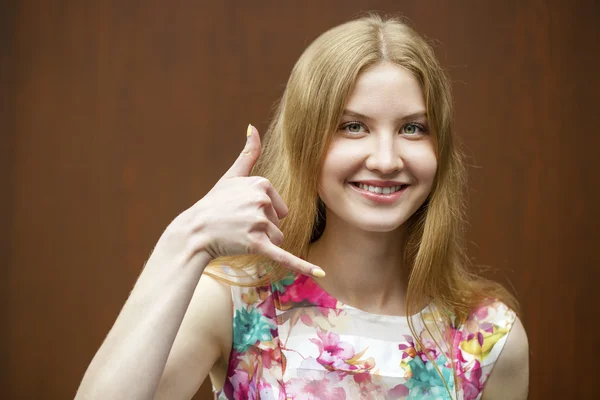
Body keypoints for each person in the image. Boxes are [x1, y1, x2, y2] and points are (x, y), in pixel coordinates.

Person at [76, 13, 529, 400]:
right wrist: (189, 237)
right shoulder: (237, 303)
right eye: (353, 126)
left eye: (413, 129)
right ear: (305, 141)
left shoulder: (489, 337)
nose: (387, 160)